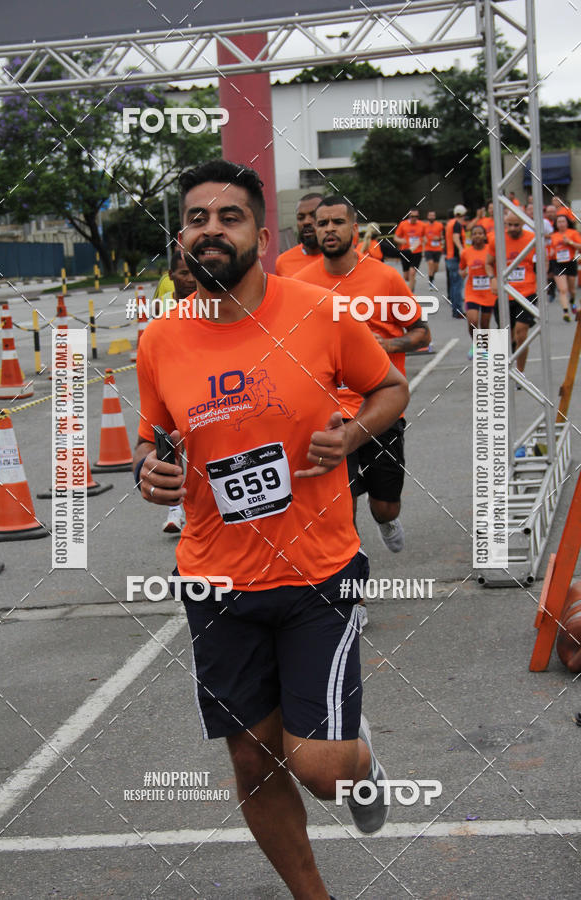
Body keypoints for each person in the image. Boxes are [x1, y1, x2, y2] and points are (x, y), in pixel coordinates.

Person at [134, 159, 409, 899]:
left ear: (262, 230)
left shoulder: (317, 311)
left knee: (319, 771)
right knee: (254, 763)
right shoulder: (161, 340)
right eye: (197, 218)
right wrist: (147, 471)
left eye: (229, 217)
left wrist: (353, 436)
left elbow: (389, 387)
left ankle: (357, 758)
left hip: (316, 569)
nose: (212, 230)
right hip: (216, 579)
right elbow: (154, 440)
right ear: (182, 236)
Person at [297, 195, 429, 575]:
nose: (329, 230)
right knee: (341, 511)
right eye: (322, 224)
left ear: (354, 229)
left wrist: (382, 345)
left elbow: (421, 333)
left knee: (384, 504)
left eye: (337, 222)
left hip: (380, 409)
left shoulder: (385, 277)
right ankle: (353, 599)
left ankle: (387, 521)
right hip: (330, 415)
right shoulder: (300, 285)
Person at [160, 249, 197, 533]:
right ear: (171, 276)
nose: (190, 279)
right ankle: (175, 509)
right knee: (171, 445)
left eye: (193, 271)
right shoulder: (164, 306)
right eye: (183, 273)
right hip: (171, 381)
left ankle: (200, 502)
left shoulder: (213, 301)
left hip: (203, 382)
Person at [486, 212, 537, 376]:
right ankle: (507, 362)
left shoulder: (532, 238)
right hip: (505, 293)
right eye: (509, 225)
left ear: (523, 223)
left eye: (516, 225)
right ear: (505, 224)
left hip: (527, 292)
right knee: (507, 335)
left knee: (522, 333)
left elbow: (542, 261)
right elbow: (488, 263)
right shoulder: (497, 240)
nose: (513, 228)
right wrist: (492, 278)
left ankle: (520, 373)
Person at [459, 224, 497, 358]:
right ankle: (475, 345)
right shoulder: (466, 252)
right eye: (474, 234)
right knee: (472, 321)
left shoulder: (490, 250)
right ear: (471, 237)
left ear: (485, 235)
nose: (477, 236)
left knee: (485, 323)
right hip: (472, 292)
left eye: (480, 233)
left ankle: (485, 349)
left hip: (488, 292)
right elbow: (461, 268)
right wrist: (462, 272)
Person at [275, 192, 323, 276]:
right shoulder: (283, 262)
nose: (306, 222)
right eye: (301, 218)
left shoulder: (342, 259)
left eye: (313, 215)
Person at [550, 213, 581, 320]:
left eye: (563, 221)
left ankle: (572, 301)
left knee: (572, 290)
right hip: (557, 263)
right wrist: (551, 253)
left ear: (567, 223)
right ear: (556, 224)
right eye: (559, 222)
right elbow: (550, 250)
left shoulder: (573, 233)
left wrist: (570, 242)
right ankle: (565, 312)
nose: (561, 224)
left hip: (570, 262)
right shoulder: (553, 236)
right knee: (563, 289)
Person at [394, 208, 425, 291]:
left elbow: (425, 237)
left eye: (416, 216)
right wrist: (401, 240)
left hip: (417, 252)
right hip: (405, 252)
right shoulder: (403, 224)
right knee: (406, 277)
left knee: (412, 272)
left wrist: (423, 243)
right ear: (409, 216)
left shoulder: (422, 225)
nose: (414, 218)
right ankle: (412, 282)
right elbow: (395, 237)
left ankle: (410, 295)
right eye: (412, 216)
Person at [445, 204, 467, 318]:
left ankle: (455, 309)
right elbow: (456, 237)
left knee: (454, 285)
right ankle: (458, 310)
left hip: (449, 257)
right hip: (455, 258)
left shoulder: (450, 223)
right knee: (458, 285)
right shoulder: (457, 224)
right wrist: (461, 249)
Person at [422, 210, 444, 288]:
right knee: (430, 264)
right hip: (428, 248)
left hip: (437, 249)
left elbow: (442, 236)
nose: (431, 217)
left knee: (436, 268)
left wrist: (438, 238)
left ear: (435, 217)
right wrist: (424, 239)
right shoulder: (424, 226)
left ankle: (432, 277)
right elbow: (422, 236)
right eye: (430, 215)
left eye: (433, 215)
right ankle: (430, 284)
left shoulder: (439, 225)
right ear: (427, 217)